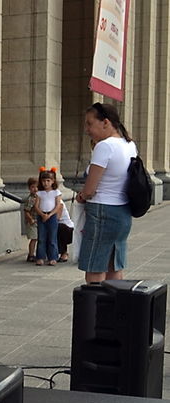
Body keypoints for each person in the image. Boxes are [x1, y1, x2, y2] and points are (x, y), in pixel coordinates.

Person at [75, 102, 137, 283]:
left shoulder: (105, 146)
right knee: (114, 266)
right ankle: (115, 310)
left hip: (102, 211)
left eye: (89, 123)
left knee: (95, 268)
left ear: (105, 122)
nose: (87, 129)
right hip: (123, 211)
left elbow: (90, 189)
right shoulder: (129, 144)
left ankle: (95, 310)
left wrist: (82, 195)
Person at [34, 170, 63, 266]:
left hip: (52, 216)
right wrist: (42, 214)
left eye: (48, 181)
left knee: (52, 237)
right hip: (42, 215)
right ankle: (40, 256)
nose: (46, 183)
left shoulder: (56, 192)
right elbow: (36, 206)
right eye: (44, 181)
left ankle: (53, 257)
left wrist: (50, 215)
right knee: (41, 237)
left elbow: (58, 205)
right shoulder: (40, 193)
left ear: (53, 181)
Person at [22, 176, 38, 262]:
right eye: (33, 187)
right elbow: (26, 211)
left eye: (37, 187)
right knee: (34, 238)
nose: (35, 189)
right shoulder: (31, 199)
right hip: (32, 222)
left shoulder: (38, 197)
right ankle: (31, 255)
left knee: (38, 238)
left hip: (38, 221)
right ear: (29, 188)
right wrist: (30, 219)